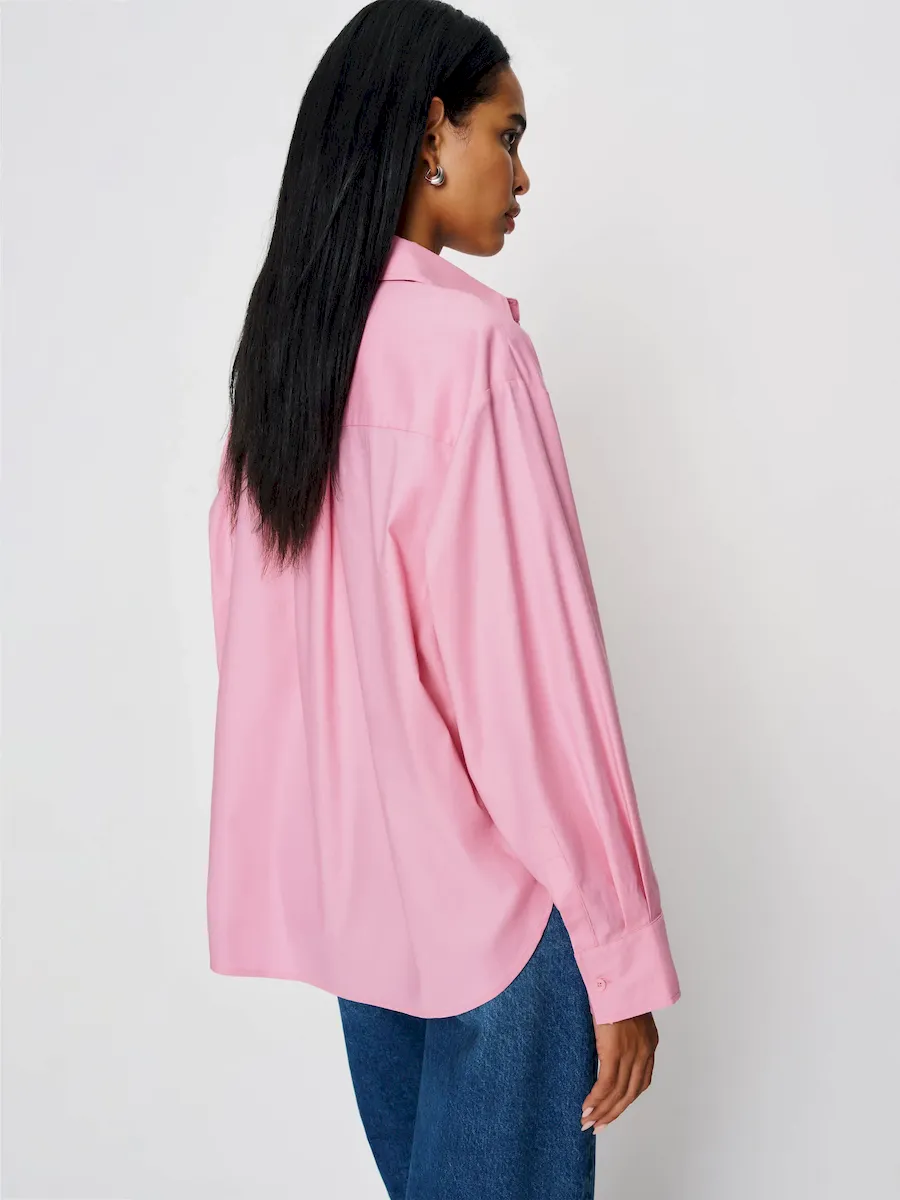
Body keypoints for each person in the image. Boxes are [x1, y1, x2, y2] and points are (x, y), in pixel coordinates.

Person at [206, 1, 682, 1195]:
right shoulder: (469, 354)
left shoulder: (286, 362)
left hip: (369, 927)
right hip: (506, 923)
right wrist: (620, 954)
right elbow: (534, 687)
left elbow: (264, 664)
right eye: (506, 135)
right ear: (432, 132)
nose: (522, 176)